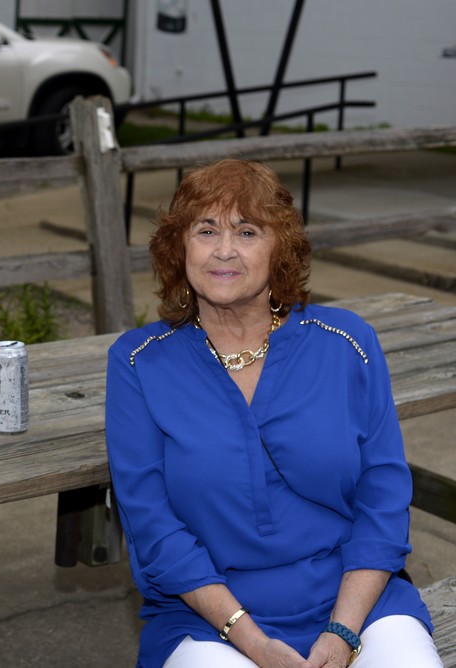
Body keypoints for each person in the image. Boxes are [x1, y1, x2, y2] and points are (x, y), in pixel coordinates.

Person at [105, 159, 441, 668]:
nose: (224, 250)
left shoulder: (347, 343)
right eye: (206, 231)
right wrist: (255, 644)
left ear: (279, 249)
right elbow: (153, 528)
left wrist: (342, 631)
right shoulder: (138, 362)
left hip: (356, 603)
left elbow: (384, 500)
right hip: (209, 619)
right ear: (179, 247)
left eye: (247, 232)